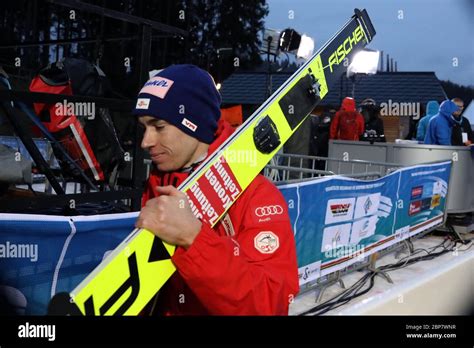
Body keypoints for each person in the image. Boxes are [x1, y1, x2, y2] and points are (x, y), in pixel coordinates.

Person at [131, 64, 299, 315]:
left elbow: (270, 304)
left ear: (193, 123)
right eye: (144, 127)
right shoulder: (159, 183)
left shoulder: (257, 196)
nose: (146, 141)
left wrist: (194, 239)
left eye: (159, 126)